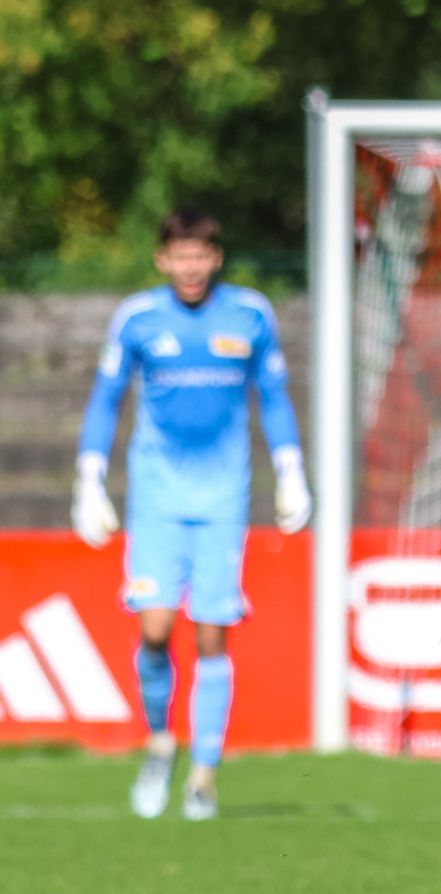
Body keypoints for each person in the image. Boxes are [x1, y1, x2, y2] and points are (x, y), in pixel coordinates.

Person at [72, 207, 311, 821]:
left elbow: (275, 395)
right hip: (156, 497)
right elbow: (106, 396)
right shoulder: (138, 319)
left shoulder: (251, 315)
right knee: (154, 628)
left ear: (216, 258)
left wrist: (290, 469)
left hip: (222, 498)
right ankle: (160, 740)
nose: (191, 266)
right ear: (162, 259)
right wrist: (89, 478)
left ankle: (203, 775)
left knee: (211, 631)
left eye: (200, 254)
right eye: (180, 255)